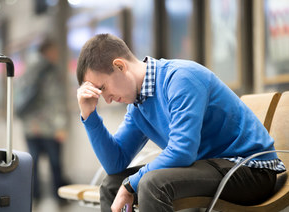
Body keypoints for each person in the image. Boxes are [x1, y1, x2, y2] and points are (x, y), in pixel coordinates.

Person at [76, 33, 286, 212]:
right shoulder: (138, 106)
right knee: (111, 185)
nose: (106, 99)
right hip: (209, 167)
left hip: (250, 169)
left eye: (102, 88)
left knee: (152, 183)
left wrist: (131, 183)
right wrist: (89, 116)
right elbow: (115, 164)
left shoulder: (180, 78)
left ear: (120, 66)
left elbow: (182, 150)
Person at [15, 38, 68, 205]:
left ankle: (34, 197)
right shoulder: (50, 70)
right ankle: (59, 197)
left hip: (30, 126)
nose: (57, 55)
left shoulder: (27, 68)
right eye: (55, 51)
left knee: (33, 163)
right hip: (49, 127)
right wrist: (61, 126)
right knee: (55, 164)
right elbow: (56, 100)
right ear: (48, 51)